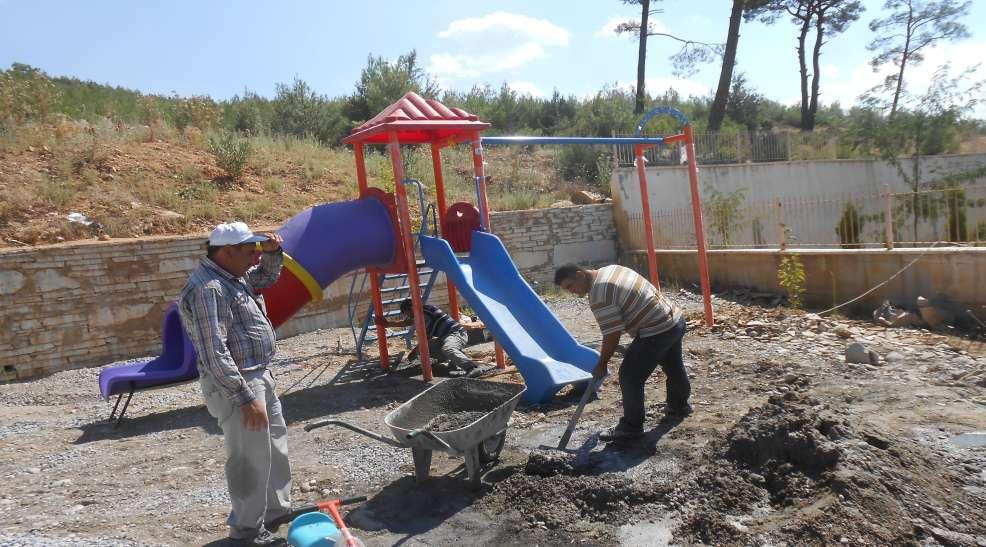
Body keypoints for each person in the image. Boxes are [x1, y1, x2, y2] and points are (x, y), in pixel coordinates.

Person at [178, 221, 290, 546]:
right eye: (250, 250)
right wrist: (244, 398)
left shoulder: (232, 277)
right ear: (227, 252)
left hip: (258, 374)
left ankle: (275, 513)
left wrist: (273, 252)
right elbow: (214, 352)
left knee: (274, 448)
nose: (255, 257)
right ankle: (246, 532)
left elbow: (266, 277)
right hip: (238, 384)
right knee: (248, 459)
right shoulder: (208, 289)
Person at [554, 263, 691, 441]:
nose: (571, 292)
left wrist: (602, 363)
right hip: (673, 320)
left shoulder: (600, 295)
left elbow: (612, 335)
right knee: (673, 366)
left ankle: (631, 427)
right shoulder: (611, 269)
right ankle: (679, 407)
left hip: (656, 330)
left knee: (629, 376)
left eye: (570, 286)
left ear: (580, 275)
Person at [382, 299, 488, 378]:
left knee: (447, 348)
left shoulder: (424, 315)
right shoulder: (422, 310)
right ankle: (454, 362)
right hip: (446, 336)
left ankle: (472, 368)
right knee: (427, 349)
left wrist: (414, 352)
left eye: (407, 313)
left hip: (456, 334)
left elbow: (426, 338)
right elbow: (407, 322)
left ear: (410, 309)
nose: (407, 316)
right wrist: (388, 324)